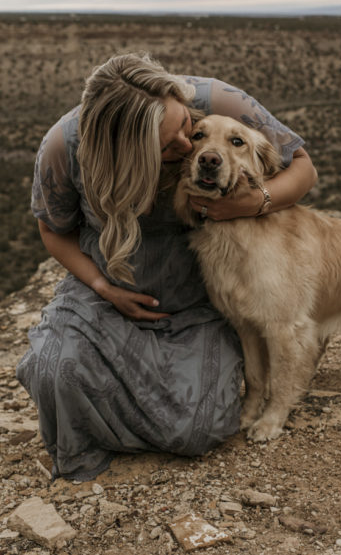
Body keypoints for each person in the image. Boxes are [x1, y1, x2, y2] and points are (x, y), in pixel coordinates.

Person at [16, 52, 317, 482]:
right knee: (53, 371)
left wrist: (258, 200)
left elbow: (303, 167)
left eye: (184, 125)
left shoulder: (219, 100)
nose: (186, 146)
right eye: (165, 144)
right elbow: (53, 230)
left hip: (198, 300)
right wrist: (103, 286)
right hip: (107, 297)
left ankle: (114, 422)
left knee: (199, 428)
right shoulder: (64, 146)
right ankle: (97, 436)